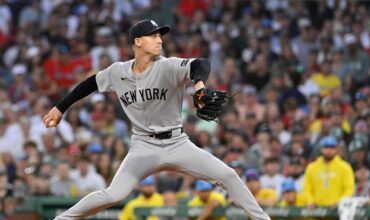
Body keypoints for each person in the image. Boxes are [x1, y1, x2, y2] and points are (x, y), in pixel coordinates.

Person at [43, 19, 270, 220]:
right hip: (143, 146)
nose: (159, 40)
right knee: (114, 194)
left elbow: (201, 64)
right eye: (153, 36)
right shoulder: (118, 71)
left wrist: (199, 84)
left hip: (177, 143)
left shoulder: (168, 66)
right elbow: (89, 83)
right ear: (138, 42)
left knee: (228, 175)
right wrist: (60, 108)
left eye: (160, 35)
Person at [302, 136, 355, 209]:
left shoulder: (345, 167)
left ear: (336, 149)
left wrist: (340, 202)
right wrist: (310, 201)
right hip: (317, 212)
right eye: (326, 147)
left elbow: (349, 189)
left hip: (336, 212)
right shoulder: (311, 168)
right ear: (321, 149)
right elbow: (306, 189)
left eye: (332, 147)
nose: (329, 150)